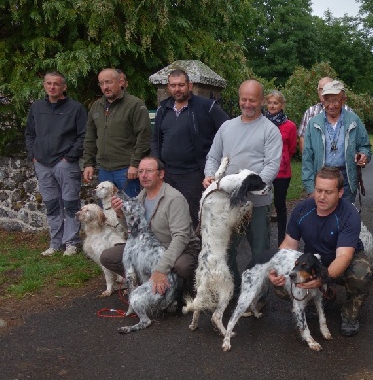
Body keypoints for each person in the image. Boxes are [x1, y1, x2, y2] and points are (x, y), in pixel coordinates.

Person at [268, 167, 372, 336]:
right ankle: (326, 296)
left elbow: (344, 256)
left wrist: (322, 280)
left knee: (361, 274)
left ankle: (349, 313)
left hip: (346, 260)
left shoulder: (349, 214)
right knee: (281, 288)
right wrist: (273, 269)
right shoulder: (302, 209)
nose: (322, 197)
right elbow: (288, 244)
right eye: (318, 190)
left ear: (340, 192)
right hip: (315, 260)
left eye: (328, 192)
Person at [203, 79, 282, 293]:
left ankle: (257, 295)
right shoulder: (226, 127)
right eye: (243, 99)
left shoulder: (270, 131)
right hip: (228, 203)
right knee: (226, 250)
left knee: (259, 251)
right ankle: (234, 289)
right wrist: (210, 175)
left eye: (252, 100)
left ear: (262, 101)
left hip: (257, 202)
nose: (247, 104)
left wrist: (245, 187)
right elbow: (212, 157)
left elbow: (271, 167)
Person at [99, 156, 199, 296]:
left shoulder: (174, 198)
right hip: (148, 248)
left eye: (149, 171)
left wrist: (161, 269)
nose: (144, 175)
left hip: (175, 247)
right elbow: (133, 230)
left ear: (161, 174)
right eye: (140, 171)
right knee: (108, 256)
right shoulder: (141, 196)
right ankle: (148, 283)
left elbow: (181, 238)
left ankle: (182, 289)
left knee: (182, 266)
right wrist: (121, 214)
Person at [151, 69, 230, 228]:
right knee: (169, 214)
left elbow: (228, 130)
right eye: (173, 85)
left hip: (193, 174)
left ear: (190, 85)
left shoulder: (207, 107)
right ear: (168, 87)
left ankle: (195, 250)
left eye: (181, 85)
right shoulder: (163, 108)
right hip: (167, 173)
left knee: (194, 216)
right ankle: (174, 249)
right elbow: (155, 139)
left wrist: (218, 161)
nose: (177, 89)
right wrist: (156, 162)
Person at [25, 71, 87, 256]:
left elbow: (84, 135)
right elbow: (29, 133)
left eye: (56, 84)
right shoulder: (36, 107)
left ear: (64, 87)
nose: (52, 87)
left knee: (70, 203)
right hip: (42, 163)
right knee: (52, 204)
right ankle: (55, 242)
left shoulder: (76, 108)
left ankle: (72, 242)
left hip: (65, 163)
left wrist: (69, 157)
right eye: (49, 83)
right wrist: (33, 155)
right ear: (44, 85)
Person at [82, 68, 151, 197]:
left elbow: (144, 136)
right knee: (107, 212)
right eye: (101, 83)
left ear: (120, 82)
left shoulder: (135, 105)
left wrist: (135, 164)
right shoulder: (96, 106)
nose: (105, 87)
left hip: (126, 169)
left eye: (108, 82)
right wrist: (88, 163)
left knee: (130, 211)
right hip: (104, 170)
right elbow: (90, 137)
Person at [302, 80, 371, 204]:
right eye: (327, 101)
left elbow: (365, 147)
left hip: (346, 177)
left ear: (343, 99)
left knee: (345, 218)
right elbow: (307, 158)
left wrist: (364, 155)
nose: (331, 105)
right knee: (323, 217)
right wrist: (310, 187)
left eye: (335, 101)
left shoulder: (354, 120)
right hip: (322, 177)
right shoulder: (314, 123)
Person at [264, 89, 297, 245]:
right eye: (269, 102)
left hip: (282, 172)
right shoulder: (261, 122)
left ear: (281, 105)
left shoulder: (289, 126)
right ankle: (263, 239)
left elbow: (291, 148)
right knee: (263, 204)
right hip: (263, 169)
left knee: (279, 203)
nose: (272, 105)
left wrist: (283, 159)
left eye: (275, 103)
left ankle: (282, 240)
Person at [297, 77, 353, 153]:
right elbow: (303, 138)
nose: (324, 91)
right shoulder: (310, 112)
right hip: (317, 162)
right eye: (321, 89)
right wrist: (308, 160)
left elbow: (357, 139)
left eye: (328, 88)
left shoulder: (348, 111)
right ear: (318, 92)